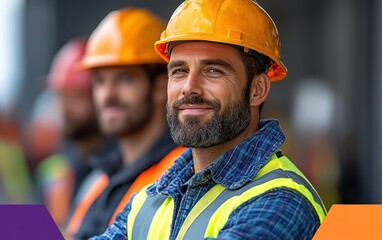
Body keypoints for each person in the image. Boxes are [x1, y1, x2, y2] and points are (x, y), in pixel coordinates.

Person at [93, 0, 327, 239]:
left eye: (213, 70)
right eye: (179, 71)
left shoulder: (281, 201)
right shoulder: (150, 198)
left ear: (257, 89)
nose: (189, 88)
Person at [65, 8, 185, 239]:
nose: (108, 95)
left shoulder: (181, 174)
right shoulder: (100, 179)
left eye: (124, 79)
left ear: (161, 87)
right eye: (100, 81)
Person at [35, 38, 117, 228]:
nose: (64, 108)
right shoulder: (55, 170)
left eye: (76, 96)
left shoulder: (119, 168)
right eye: (61, 95)